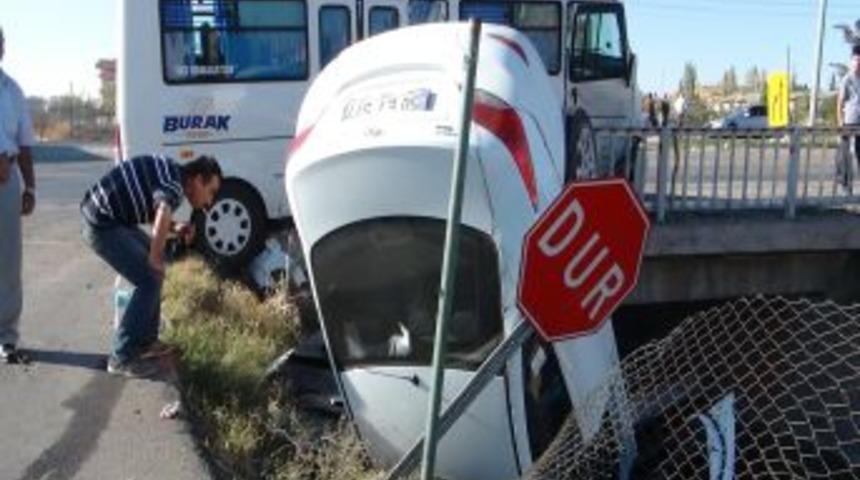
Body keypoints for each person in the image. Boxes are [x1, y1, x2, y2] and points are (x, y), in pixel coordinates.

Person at [81, 155, 221, 377]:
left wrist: (176, 227)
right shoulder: (175, 186)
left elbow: (155, 211)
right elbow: (163, 210)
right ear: (197, 180)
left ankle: (147, 341)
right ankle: (122, 356)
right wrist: (154, 258)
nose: (209, 202)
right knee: (150, 276)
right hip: (102, 223)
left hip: (110, 218)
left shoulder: (173, 175)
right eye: (211, 192)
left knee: (155, 269)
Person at [0, 26, 37, 364]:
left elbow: (24, 144)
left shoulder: (12, 91)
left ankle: (6, 336)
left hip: (5, 179)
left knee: (8, 262)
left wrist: (30, 187)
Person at [836, 45, 860, 189]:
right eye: (856, 60)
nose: (858, 63)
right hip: (848, 122)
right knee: (844, 154)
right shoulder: (847, 79)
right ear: (851, 61)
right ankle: (845, 183)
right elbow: (839, 102)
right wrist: (840, 121)